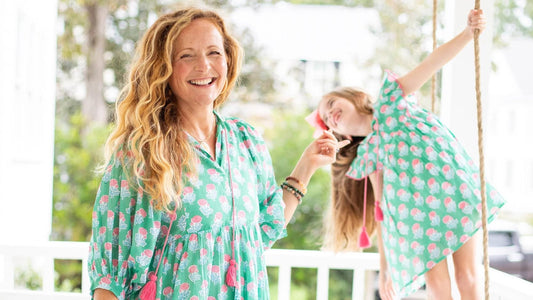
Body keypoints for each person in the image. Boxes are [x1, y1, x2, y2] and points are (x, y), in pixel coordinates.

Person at [88, 6, 345, 300]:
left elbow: (260, 233)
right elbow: (110, 278)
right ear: (164, 68)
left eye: (214, 52)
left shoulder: (245, 141)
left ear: (228, 60)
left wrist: (308, 164)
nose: (204, 66)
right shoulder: (142, 152)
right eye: (187, 55)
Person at [307, 9, 506, 300]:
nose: (331, 113)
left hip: (452, 188)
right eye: (328, 117)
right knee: (438, 286)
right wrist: (385, 268)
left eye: (333, 103)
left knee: (467, 276)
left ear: (354, 98)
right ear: (343, 137)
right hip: (418, 219)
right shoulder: (369, 155)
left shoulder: (391, 99)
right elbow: (382, 212)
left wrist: (466, 34)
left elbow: (432, 62)